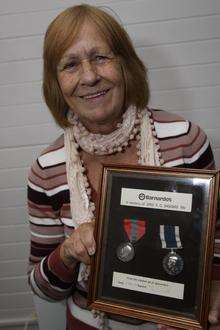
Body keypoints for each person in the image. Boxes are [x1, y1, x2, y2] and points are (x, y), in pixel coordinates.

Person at [27, 4, 220, 329]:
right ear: (56, 82)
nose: (89, 76)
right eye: (70, 64)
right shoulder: (46, 170)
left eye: (101, 57)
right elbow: (42, 287)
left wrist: (213, 289)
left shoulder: (186, 139)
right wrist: (70, 251)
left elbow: (215, 238)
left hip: (180, 321)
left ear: (126, 64)